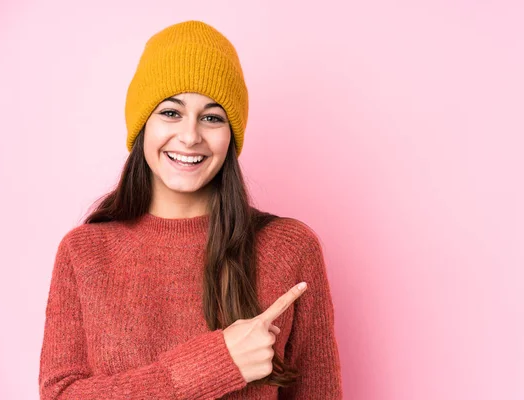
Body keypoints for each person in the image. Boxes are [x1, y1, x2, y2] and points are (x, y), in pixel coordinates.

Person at [38, 20, 343, 399]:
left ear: (231, 135)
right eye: (170, 112)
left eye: (212, 117)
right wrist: (218, 363)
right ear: (142, 126)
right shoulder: (84, 252)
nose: (190, 136)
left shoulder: (288, 247)